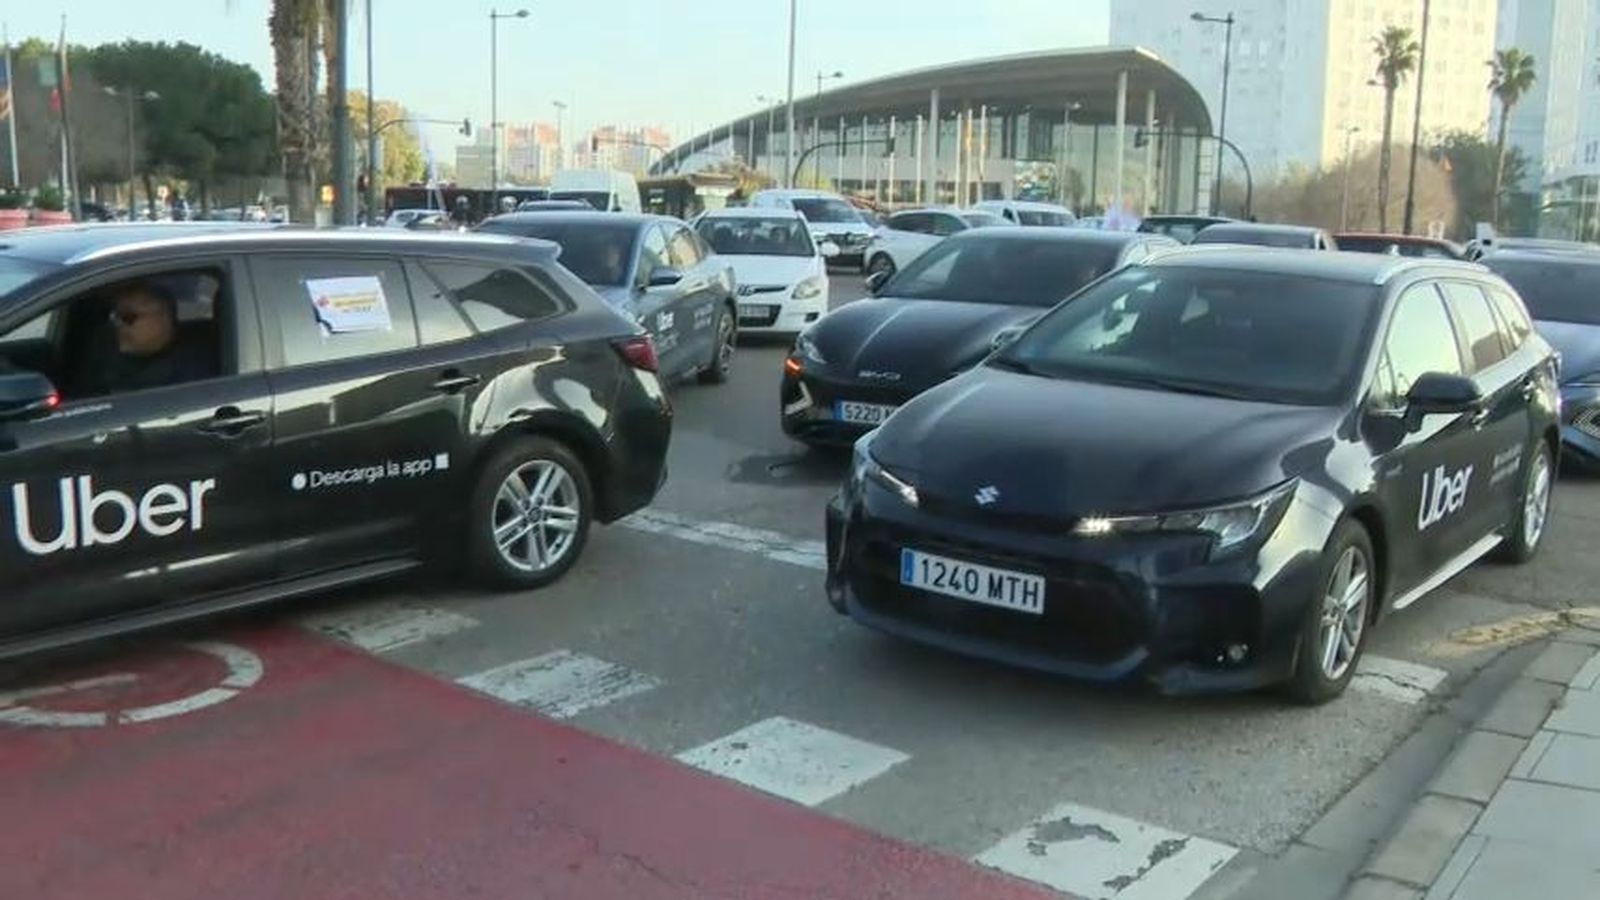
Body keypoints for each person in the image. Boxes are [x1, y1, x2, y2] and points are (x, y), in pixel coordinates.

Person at [94, 281, 216, 395]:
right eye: (115, 316)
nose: (118, 324)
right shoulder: (104, 355)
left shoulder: (192, 375)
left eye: (127, 317)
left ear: (162, 319)